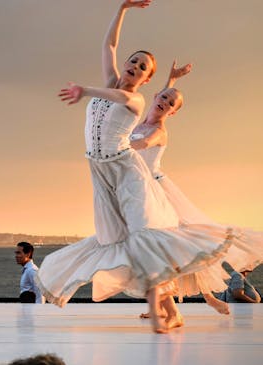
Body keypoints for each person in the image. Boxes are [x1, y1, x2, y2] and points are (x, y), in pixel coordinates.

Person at [36, 0, 233, 334]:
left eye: (143, 67)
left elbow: (122, 101)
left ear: (146, 79)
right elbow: (108, 44)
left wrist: (84, 90)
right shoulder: (113, 81)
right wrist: (123, 8)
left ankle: (160, 313)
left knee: (143, 238)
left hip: (127, 171)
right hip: (99, 174)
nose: (136, 66)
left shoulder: (136, 99)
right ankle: (170, 310)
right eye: (134, 61)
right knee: (117, 240)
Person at [131, 62, 263, 316]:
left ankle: (203, 298)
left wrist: (113, 147)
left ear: (172, 113)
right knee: (160, 251)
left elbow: (143, 144)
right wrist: (171, 80)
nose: (165, 102)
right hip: (140, 192)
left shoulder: (159, 131)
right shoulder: (143, 117)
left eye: (171, 104)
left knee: (181, 246)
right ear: (155, 95)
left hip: (159, 193)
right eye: (164, 97)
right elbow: (163, 97)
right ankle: (170, 302)